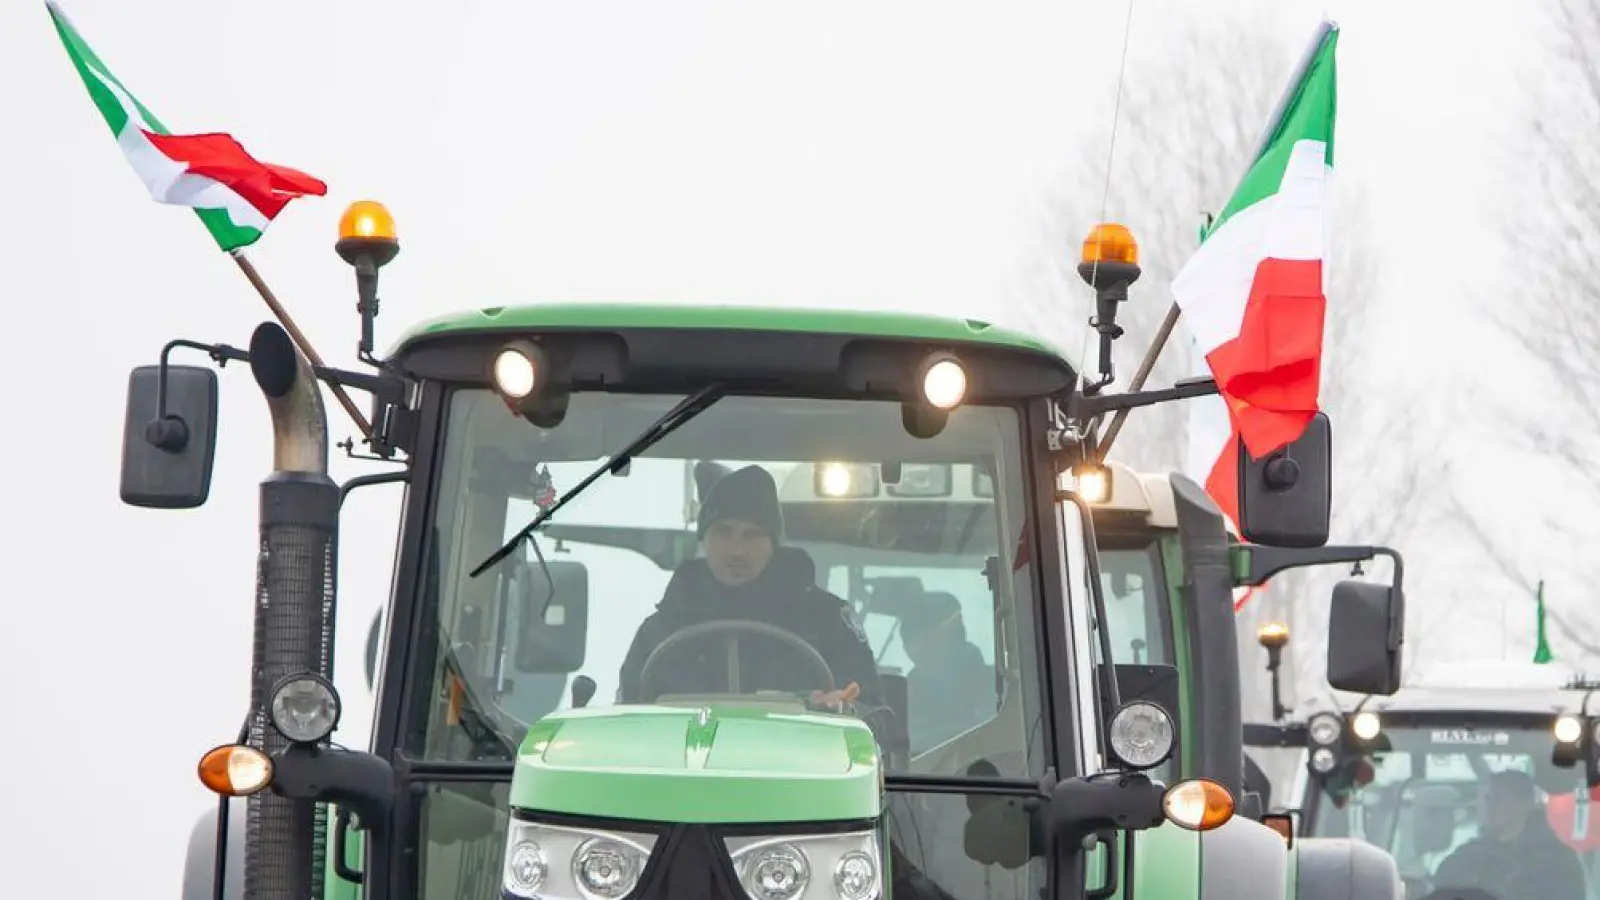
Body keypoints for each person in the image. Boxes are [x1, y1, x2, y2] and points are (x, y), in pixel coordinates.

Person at [616, 465, 885, 714]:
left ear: (772, 544)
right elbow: (626, 719)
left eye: (752, 535)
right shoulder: (662, 631)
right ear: (704, 539)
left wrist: (845, 707)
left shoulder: (827, 623)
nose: (736, 550)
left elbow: (875, 717)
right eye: (723, 532)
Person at [1429, 769, 1586, 900]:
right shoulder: (1469, 856)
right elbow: (1441, 886)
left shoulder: (1557, 862)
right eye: (1488, 799)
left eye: (1498, 799)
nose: (1490, 806)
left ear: (1525, 804)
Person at [898, 593, 994, 750]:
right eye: (912, 639)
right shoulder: (902, 700)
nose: (916, 647)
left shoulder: (997, 686)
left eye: (956, 625)